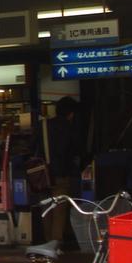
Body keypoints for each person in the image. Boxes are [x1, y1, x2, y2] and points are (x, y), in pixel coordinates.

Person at [42, 96, 82, 242]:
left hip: (42, 175)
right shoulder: (69, 128)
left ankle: (47, 242)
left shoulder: (43, 125)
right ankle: (55, 243)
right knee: (59, 210)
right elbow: (74, 150)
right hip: (61, 175)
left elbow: (32, 147)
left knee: (46, 210)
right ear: (71, 114)